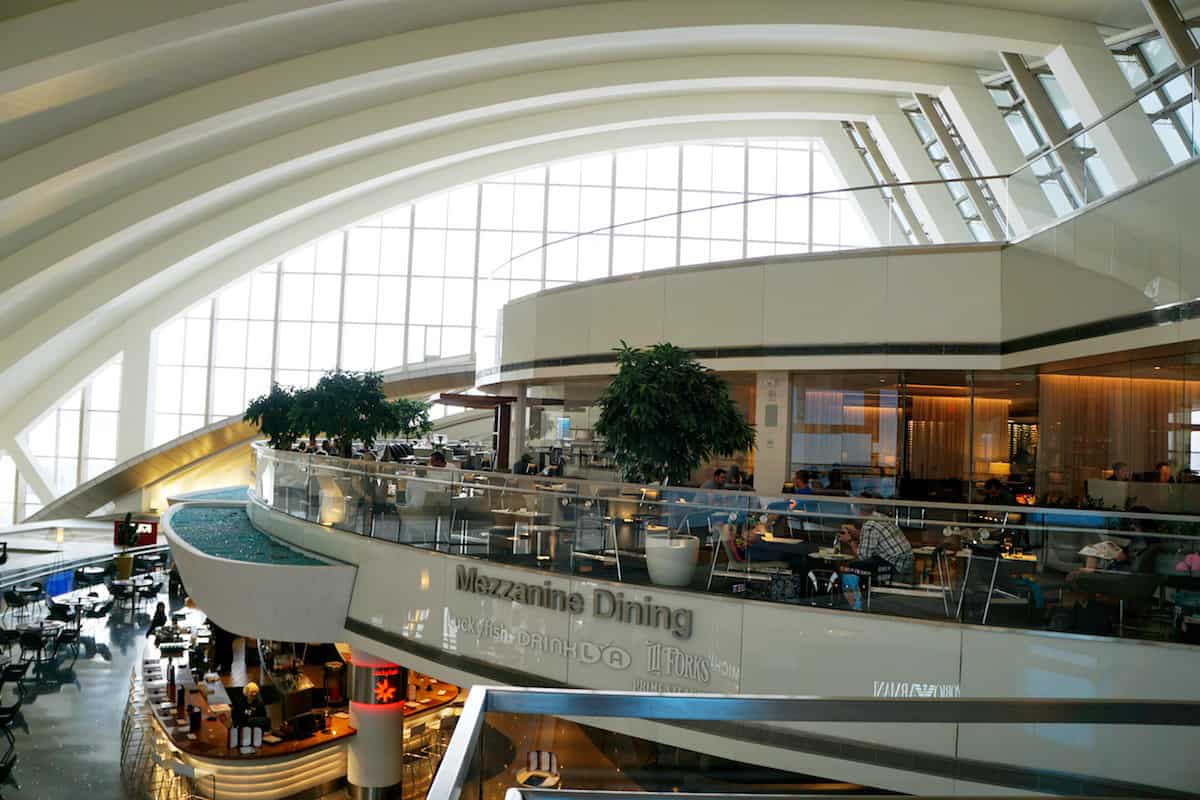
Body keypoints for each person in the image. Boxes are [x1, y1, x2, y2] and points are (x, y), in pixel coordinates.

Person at [838, 502, 913, 610]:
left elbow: (863, 556)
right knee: (864, 565)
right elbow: (874, 539)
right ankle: (866, 600)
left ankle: (856, 605)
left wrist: (849, 541)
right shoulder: (880, 517)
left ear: (859, 512)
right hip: (904, 561)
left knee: (853, 566)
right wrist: (856, 533)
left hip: (894, 566)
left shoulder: (869, 525)